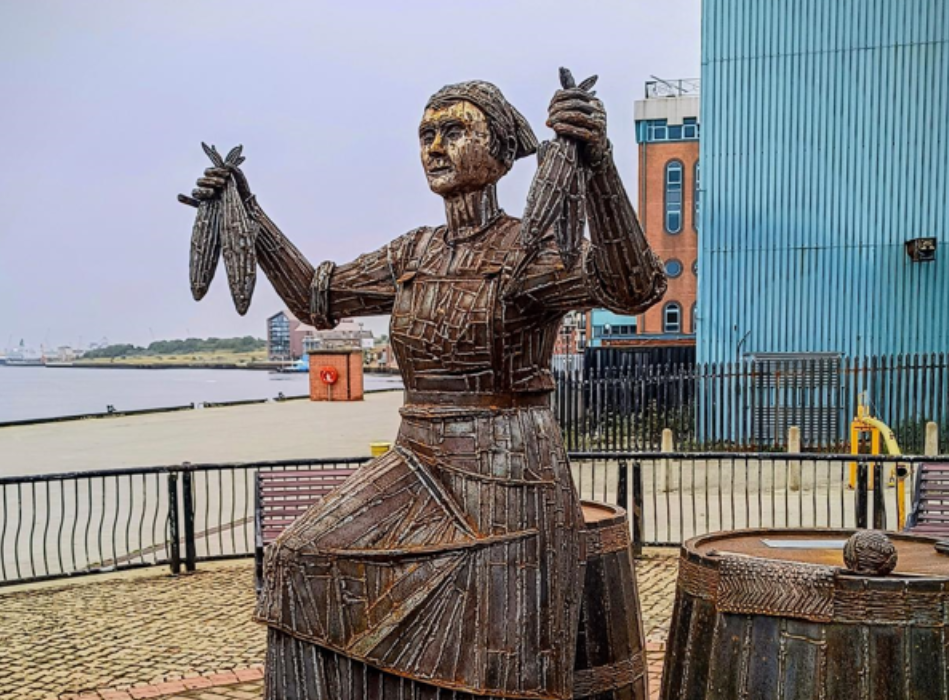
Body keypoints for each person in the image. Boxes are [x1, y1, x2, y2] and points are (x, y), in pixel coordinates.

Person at [189, 78, 665, 700]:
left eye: (455, 130)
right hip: (417, 460)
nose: (436, 146)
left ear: (498, 153)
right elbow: (316, 296)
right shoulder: (414, 252)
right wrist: (246, 215)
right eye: (426, 134)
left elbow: (633, 288)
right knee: (296, 559)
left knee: (502, 664)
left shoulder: (529, 249)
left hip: (510, 473)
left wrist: (598, 163)